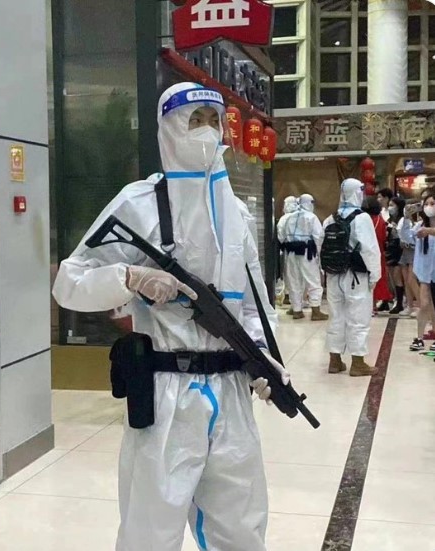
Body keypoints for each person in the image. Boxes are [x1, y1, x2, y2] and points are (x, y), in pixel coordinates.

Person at [53, 82, 290, 551]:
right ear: (168, 129)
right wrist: (129, 276)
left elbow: (254, 303)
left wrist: (264, 355)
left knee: (242, 523)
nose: (205, 132)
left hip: (231, 391)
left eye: (212, 121)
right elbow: (69, 283)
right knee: (151, 529)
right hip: (165, 391)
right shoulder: (138, 204)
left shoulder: (238, 214)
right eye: (193, 121)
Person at [323, 179, 381, 376]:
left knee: (335, 317)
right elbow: (370, 250)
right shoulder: (362, 218)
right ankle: (358, 362)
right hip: (356, 277)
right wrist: (374, 275)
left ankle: (335, 360)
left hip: (333, 275)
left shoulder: (330, 218)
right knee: (358, 318)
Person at [281, 193, 328, 321]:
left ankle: (297, 310)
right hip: (307, 253)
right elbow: (319, 236)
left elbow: (281, 236)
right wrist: (319, 254)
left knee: (294, 281)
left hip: (290, 253)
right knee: (313, 281)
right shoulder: (311, 217)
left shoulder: (288, 217)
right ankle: (315, 311)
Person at [402, 192, 435, 351]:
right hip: (425, 272)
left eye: (432, 203)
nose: (430, 207)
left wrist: (429, 231)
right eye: (427, 204)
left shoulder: (427, 229)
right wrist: (406, 219)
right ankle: (420, 338)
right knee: (425, 304)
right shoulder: (420, 226)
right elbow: (407, 237)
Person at [362, 196, 393, 313]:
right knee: (377, 278)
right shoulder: (380, 220)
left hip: (366, 252)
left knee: (366, 279)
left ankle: (369, 306)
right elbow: (384, 237)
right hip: (379, 252)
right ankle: (374, 305)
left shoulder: (364, 219)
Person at [398, 199, 419, 318]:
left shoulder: (421, 221)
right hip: (405, 249)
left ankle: (420, 305)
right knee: (406, 279)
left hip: (414, 250)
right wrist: (406, 216)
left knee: (412, 279)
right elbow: (403, 233)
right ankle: (410, 305)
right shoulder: (404, 219)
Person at [277, 195, 299, 311]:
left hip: (288, 251)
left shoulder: (284, 219)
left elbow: (280, 237)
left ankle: (288, 297)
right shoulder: (303, 216)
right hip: (307, 253)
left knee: (289, 275)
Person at [385, 196, 406, 315]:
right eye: (389, 205)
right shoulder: (389, 219)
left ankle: (400, 302)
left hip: (399, 248)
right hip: (391, 248)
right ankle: (395, 299)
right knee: (392, 275)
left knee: (398, 275)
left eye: (393, 205)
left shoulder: (402, 220)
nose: (390, 207)